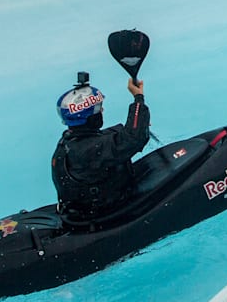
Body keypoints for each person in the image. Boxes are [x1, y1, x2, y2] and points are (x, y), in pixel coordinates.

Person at [50, 72, 151, 224]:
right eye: (98, 110)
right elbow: (134, 139)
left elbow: (103, 140)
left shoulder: (70, 141)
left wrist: (134, 125)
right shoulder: (88, 151)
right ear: (90, 118)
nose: (102, 111)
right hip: (104, 213)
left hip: (78, 210)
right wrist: (138, 99)